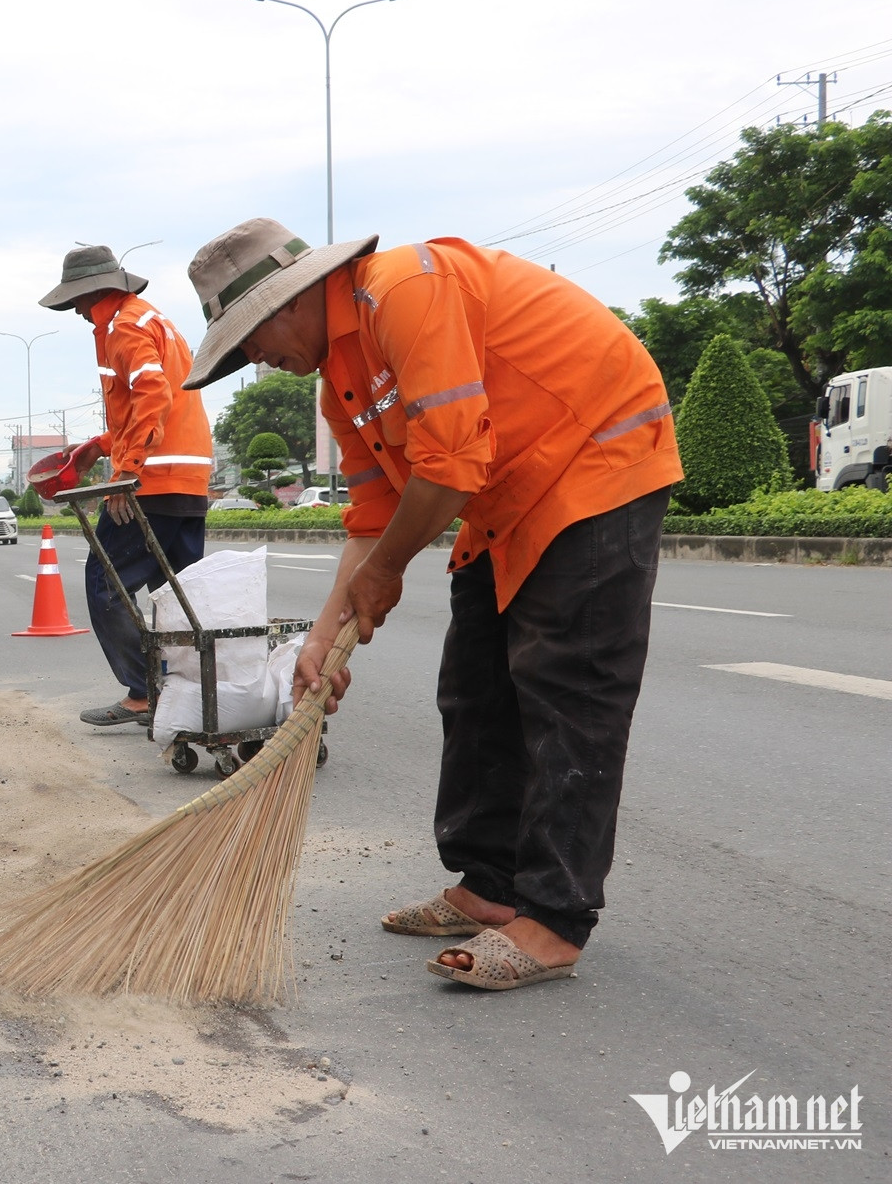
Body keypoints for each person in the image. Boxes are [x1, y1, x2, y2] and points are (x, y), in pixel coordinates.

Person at [181, 217, 682, 990]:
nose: (254, 360)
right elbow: (374, 516)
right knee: (475, 686)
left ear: (290, 300)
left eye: (248, 339)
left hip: (595, 459)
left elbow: (447, 468)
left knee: (568, 689)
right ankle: (490, 885)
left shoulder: (404, 292)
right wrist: (323, 636)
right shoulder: (339, 384)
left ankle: (553, 919)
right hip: (504, 492)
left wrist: (383, 574)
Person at [36, 245, 215, 727]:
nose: (76, 311)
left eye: (76, 300)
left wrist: (126, 471)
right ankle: (189, 693)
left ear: (93, 292)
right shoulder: (154, 320)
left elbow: (152, 396)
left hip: (150, 483)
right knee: (176, 597)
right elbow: (151, 407)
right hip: (187, 480)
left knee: (106, 582)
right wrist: (98, 447)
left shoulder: (124, 327)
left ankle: (145, 691)